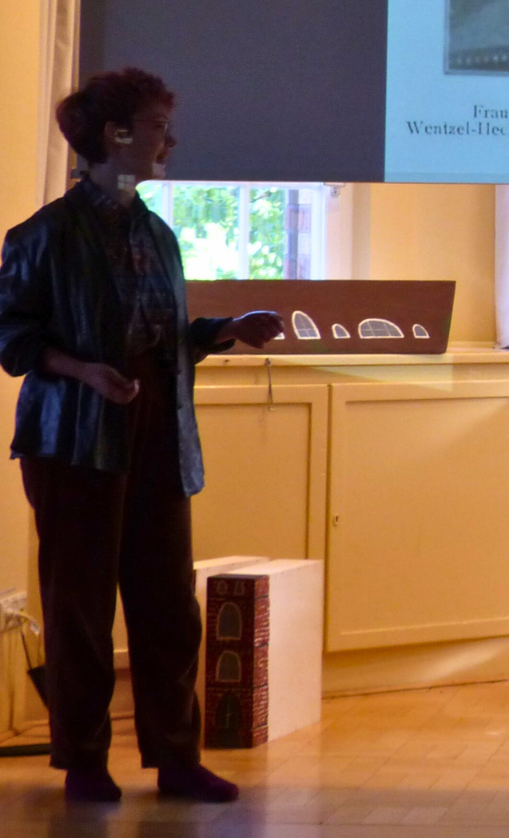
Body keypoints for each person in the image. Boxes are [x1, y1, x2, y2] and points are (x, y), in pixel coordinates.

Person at [0, 70, 284, 805]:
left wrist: (224, 330)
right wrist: (85, 373)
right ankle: (85, 761)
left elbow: (163, 339)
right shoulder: (42, 236)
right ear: (115, 134)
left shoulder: (158, 233)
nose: (170, 140)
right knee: (81, 608)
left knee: (168, 607)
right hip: (75, 440)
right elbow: (12, 339)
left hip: (159, 432)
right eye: (158, 125)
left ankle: (176, 757)